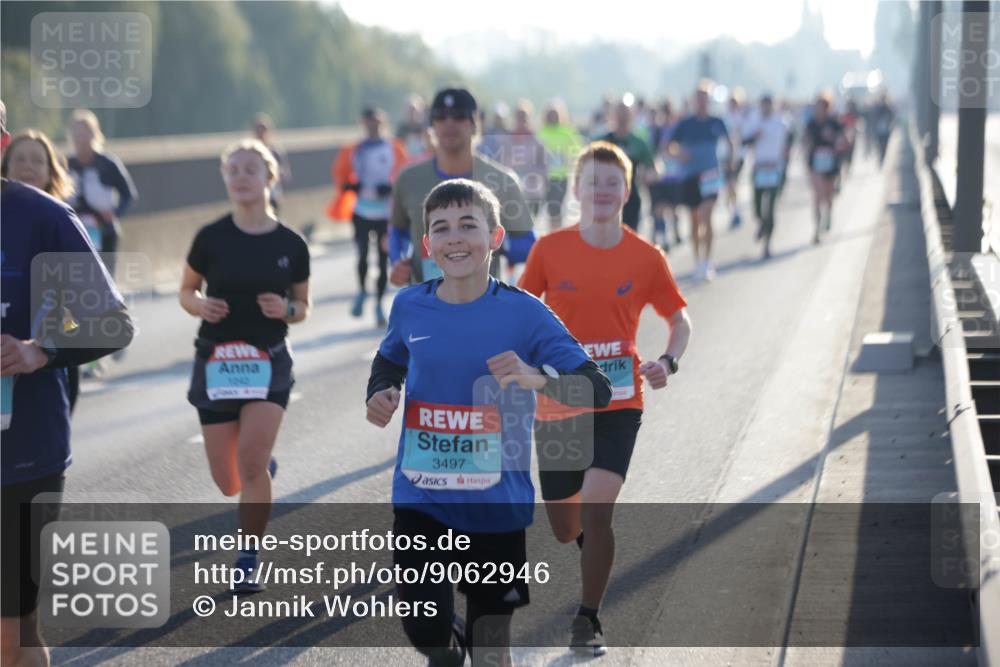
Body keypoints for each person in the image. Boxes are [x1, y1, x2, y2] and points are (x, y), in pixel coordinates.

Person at [366, 178, 612, 667]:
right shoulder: (410, 305)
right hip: (423, 494)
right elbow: (390, 357)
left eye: (468, 225)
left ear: (496, 238)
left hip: (496, 503)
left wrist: (533, 377)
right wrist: (381, 390)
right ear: (427, 245)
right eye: (442, 228)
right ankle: (446, 650)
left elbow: (596, 388)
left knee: (491, 650)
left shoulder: (525, 314)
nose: (454, 237)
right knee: (425, 630)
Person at [519, 141, 692, 656]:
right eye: (592, 182)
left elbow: (679, 319)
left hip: (619, 403)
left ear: (627, 189)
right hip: (559, 403)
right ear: (576, 188)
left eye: (611, 182)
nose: (601, 190)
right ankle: (595, 554)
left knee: (597, 514)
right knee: (564, 524)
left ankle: (588, 618)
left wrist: (668, 360)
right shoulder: (549, 250)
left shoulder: (646, 257)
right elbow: (524, 314)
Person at [1, 99, 134, 667]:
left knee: (14, 624)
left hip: (24, 452)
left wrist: (38, 352)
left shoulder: (44, 218)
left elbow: (112, 323)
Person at [180, 139, 310, 593]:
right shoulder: (210, 237)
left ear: (269, 177)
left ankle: (248, 557)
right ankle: (260, 470)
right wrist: (201, 307)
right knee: (227, 479)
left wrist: (285, 310)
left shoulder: (291, 243)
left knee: (250, 465)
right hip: (217, 361)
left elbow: (303, 307)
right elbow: (186, 292)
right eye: (233, 169)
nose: (240, 176)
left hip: (268, 363)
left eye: (250, 169)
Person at [388, 87, 535, 288]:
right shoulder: (408, 178)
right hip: (426, 305)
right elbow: (398, 230)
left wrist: (491, 241)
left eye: (459, 116)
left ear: (476, 125)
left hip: (482, 306)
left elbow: (528, 243)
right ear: (431, 126)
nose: (449, 123)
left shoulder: (503, 180)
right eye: (441, 117)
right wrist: (398, 260)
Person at [1, 129, 84, 413]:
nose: (27, 166)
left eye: (37, 160)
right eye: (20, 159)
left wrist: (44, 349)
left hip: (52, 348)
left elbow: (101, 309)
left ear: (51, 172)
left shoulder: (59, 220)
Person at [328, 107, 407, 327]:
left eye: (377, 122)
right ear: (363, 123)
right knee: (362, 254)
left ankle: (379, 304)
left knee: (382, 260)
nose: (373, 126)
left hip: (384, 213)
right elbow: (340, 175)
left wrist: (390, 188)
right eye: (369, 122)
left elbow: (404, 176)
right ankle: (362, 290)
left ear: (383, 123)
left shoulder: (394, 148)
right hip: (361, 210)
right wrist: (350, 185)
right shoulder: (354, 149)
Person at [669, 81, 733, 282]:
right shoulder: (685, 123)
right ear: (694, 101)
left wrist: (730, 165)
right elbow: (669, 146)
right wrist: (680, 154)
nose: (701, 103)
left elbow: (730, 142)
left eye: (705, 99)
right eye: (698, 99)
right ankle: (698, 260)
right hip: (690, 176)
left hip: (711, 176)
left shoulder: (717, 121)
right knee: (695, 220)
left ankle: (707, 261)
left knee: (707, 215)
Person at [66, 109, 137, 279]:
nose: (81, 140)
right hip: (75, 228)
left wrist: (114, 214)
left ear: (94, 135)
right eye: (77, 136)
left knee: (103, 279)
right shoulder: (66, 164)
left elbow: (128, 194)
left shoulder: (108, 164)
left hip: (104, 229)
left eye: (85, 135)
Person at [599, 95, 656, 233]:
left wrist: (649, 176)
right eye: (619, 113)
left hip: (630, 196)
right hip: (604, 196)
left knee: (630, 236)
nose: (622, 118)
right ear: (612, 115)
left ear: (632, 115)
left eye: (625, 113)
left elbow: (652, 168)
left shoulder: (638, 142)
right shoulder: (601, 140)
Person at [742, 95, 790, 260]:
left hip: (774, 168)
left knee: (770, 206)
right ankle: (762, 224)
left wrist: (785, 162)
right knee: (757, 206)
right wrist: (755, 136)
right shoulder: (754, 121)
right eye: (763, 106)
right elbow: (744, 141)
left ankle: (767, 243)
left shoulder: (780, 122)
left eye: (768, 106)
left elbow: (789, 140)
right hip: (759, 168)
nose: (766, 109)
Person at [804, 92, 845, 243]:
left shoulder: (834, 123)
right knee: (817, 196)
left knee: (828, 195)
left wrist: (834, 140)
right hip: (815, 162)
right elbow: (805, 141)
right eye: (817, 107)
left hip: (830, 162)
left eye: (822, 107)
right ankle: (816, 230)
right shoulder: (811, 123)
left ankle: (828, 214)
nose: (819, 110)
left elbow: (843, 140)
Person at [537, 101, 584, 230]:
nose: (553, 117)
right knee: (544, 209)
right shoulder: (541, 132)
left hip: (561, 177)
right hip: (544, 178)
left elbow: (578, 149)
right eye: (550, 114)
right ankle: (548, 234)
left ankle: (555, 233)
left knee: (556, 208)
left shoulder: (567, 132)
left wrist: (570, 158)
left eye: (555, 114)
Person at [648, 99, 685, 251]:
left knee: (674, 209)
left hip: (675, 176)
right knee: (659, 209)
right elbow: (650, 152)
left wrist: (675, 151)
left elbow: (683, 151)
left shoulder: (678, 130)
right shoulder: (655, 131)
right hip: (660, 177)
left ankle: (676, 231)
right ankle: (663, 239)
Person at [250, 113, 292, 212]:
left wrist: (274, 174)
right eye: (258, 129)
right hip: (253, 197)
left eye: (263, 129)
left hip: (272, 196)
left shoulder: (275, 152)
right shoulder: (248, 153)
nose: (260, 133)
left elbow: (286, 174)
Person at [722, 89, 748, 229]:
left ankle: (736, 211)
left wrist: (735, 157)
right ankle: (733, 210)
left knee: (733, 184)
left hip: (737, 157)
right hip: (725, 156)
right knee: (728, 187)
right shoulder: (724, 118)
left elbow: (743, 138)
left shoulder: (742, 119)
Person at [396, 95, 434, 165]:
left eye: (415, 111)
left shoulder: (428, 130)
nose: (412, 114)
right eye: (410, 111)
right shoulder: (402, 130)